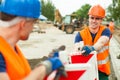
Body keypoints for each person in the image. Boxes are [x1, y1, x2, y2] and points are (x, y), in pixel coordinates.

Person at [0, 0, 64, 80]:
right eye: (33, 23)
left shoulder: (11, 47)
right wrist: (45, 67)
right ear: (23, 24)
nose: (33, 28)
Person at [74, 5, 111, 80]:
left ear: (101, 20)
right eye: (92, 18)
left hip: (102, 71)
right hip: (86, 70)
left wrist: (92, 48)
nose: (94, 21)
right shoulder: (80, 34)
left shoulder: (106, 31)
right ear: (89, 18)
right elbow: (76, 48)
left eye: (97, 18)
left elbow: (101, 42)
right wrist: (80, 49)